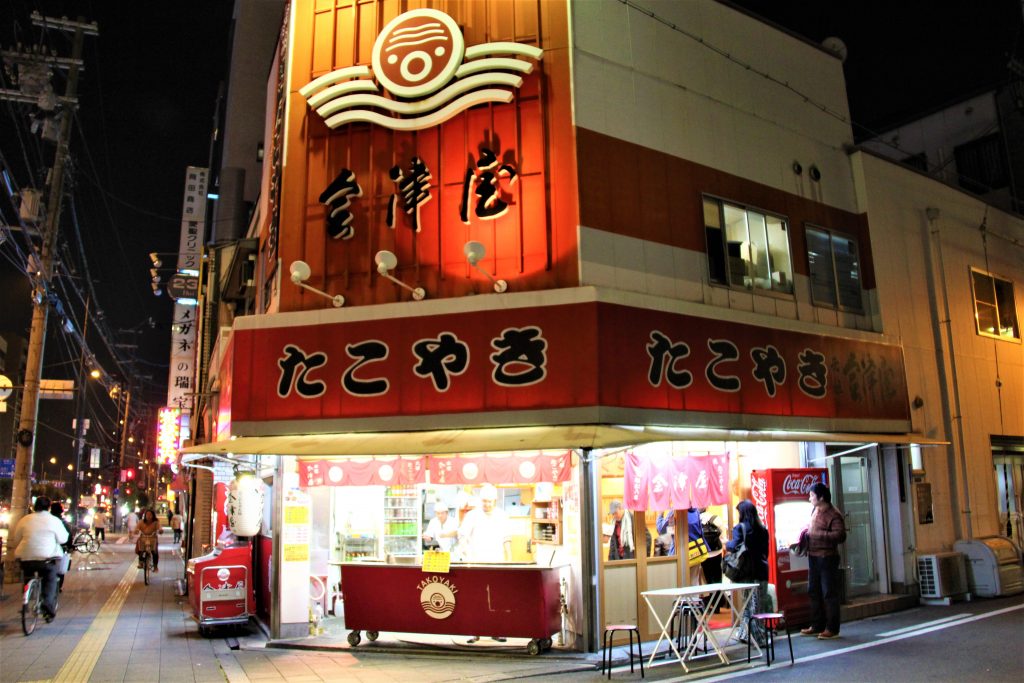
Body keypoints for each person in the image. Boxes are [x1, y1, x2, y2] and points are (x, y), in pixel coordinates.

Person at [458, 484, 511, 644]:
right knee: (476, 597)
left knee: (497, 598)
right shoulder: (472, 515)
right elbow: (462, 536)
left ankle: (497, 630)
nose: (486, 504)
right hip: (476, 562)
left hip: (497, 562)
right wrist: (465, 554)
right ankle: (475, 631)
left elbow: (507, 539)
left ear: (495, 501)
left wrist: (510, 562)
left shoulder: (502, 516)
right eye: (484, 501)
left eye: (489, 501)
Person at [801, 482, 847, 640]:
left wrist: (818, 535)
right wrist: (806, 533)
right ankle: (816, 625)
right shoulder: (815, 510)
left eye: (812, 495)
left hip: (827, 557)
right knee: (813, 591)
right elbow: (813, 530)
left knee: (829, 593)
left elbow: (841, 536)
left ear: (821, 497)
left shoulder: (834, 514)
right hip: (813, 556)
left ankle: (832, 628)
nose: (809, 498)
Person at [10, 496, 68, 621]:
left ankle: (26, 596)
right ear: (48, 507)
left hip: (26, 558)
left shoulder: (25, 519)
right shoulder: (54, 520)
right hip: (45, 559)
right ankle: (47, 607)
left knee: (28, 574)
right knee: (50, 578)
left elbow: (16, 539)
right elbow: (63, 539)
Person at [725, 500, 769, 645]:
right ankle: (745, 633)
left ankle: (759, 638)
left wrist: (726, 543)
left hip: (748, 572)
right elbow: (765, 552)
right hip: (762, 570)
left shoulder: (740, 528)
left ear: (742, 513)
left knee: (749, 604)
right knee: (758, 605)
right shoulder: (763, 529)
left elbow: (734, 546)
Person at [50, 501, 73, 592]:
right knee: (60, 568)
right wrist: (70, 547)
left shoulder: (48, 519)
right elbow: (68, 537)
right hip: (59, 549)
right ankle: (58, 587)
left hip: (45, 551)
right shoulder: (63, 522)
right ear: (61, 511)